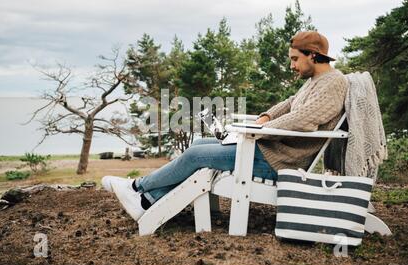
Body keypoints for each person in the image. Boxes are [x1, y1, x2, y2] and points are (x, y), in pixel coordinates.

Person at [102, 31, 348, 221]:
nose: (292, 65)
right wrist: (264, 118)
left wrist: (259, 132)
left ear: (313, 55)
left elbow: (305, 119)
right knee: (199, 144)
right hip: (271, 150)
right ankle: (147, 201)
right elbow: (290, 103)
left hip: (281, 160)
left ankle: (137, 187)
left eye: (295, 59)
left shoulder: (333, 83)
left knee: (196, 154)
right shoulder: (317, 80)